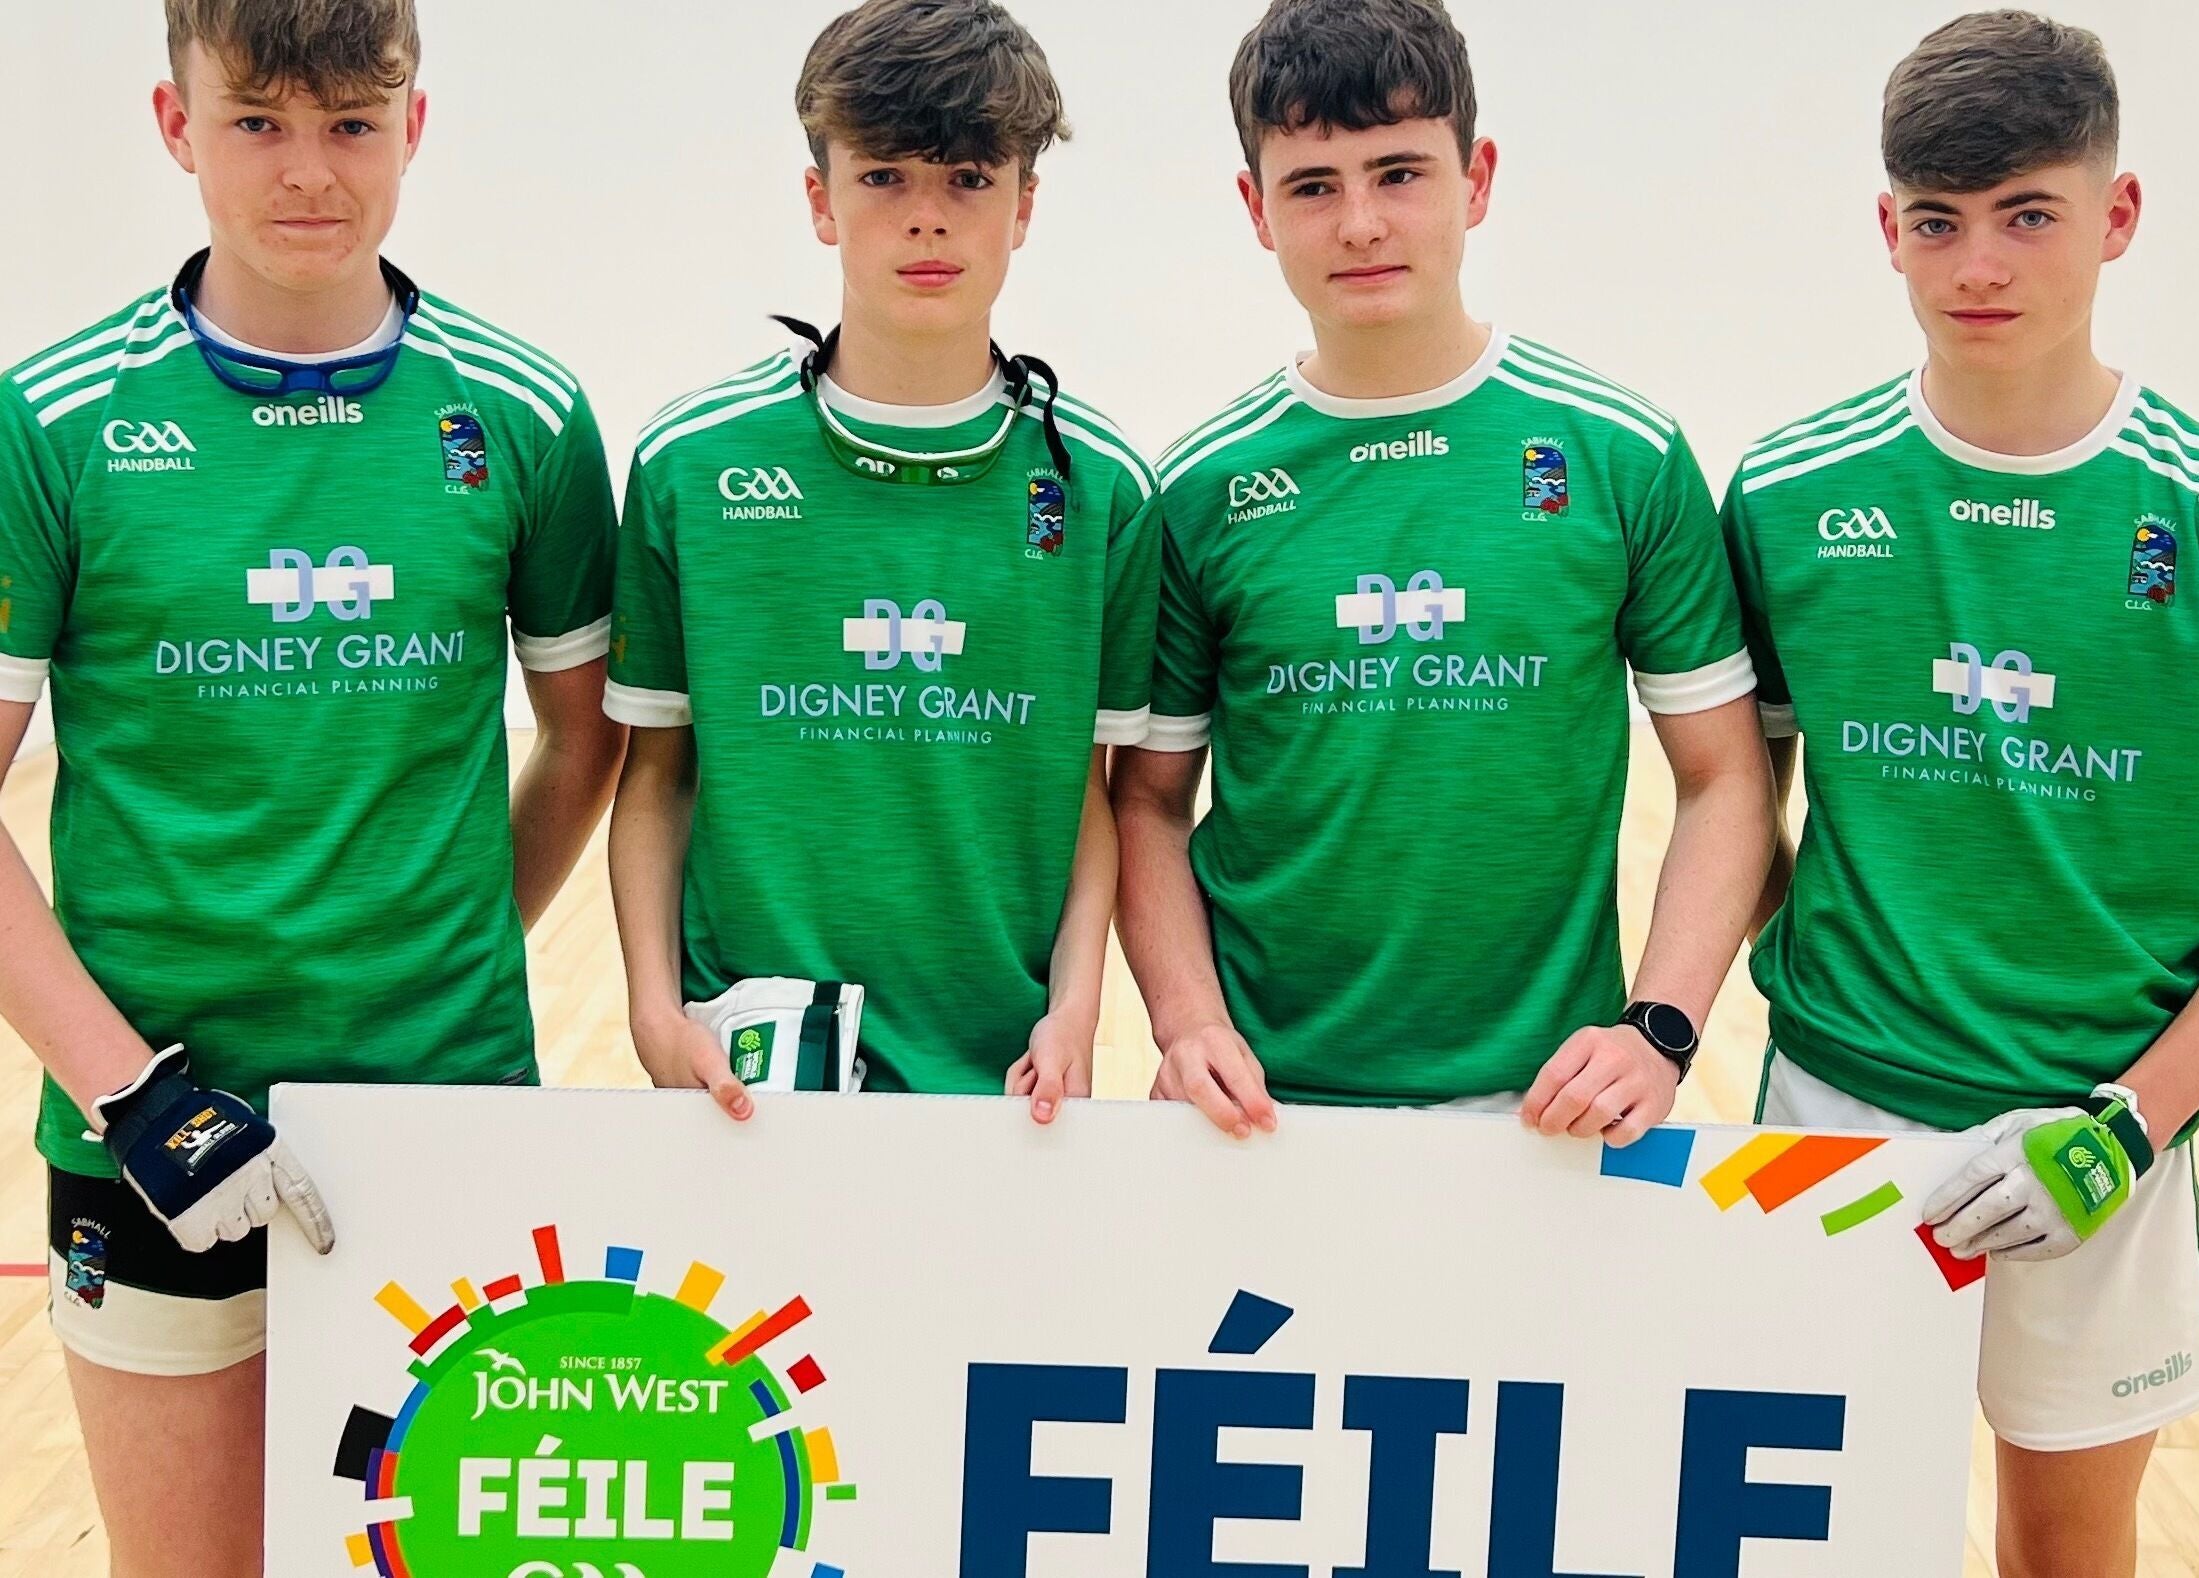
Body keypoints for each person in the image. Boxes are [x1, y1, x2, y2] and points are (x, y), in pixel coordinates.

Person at [0, 3, 624, 1571]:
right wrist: (130, 1089)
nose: (307, 171)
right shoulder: (54, 422)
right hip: (146, 1141)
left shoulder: (525, 417)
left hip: (451, 1121)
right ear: (173, 119)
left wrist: (452, 940)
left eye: (351, 122)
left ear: (415, 123)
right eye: (259, 121)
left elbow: (590, 737)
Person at [1113, 0, 1773, 1140]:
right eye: (1313, 185)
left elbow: (1724, 777)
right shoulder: (1201, 489)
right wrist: (1185, 1027)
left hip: (1550, 1109)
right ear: (1255, 209)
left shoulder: (1619, 454)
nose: (1362, 222)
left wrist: (1660, 1030)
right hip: (1259, 1113)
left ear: (1477, 180)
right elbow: (1150, 804)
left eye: (1400, 172)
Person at [1724, 13, 2197, 1576]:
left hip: (2105, 1128)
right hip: (1830, 1114)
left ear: (2113, 218)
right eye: (1935, 220)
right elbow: (1734, 799)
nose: (1976, 263)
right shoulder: (1789, 495)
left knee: (2063, 1549)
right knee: (1801, 1537)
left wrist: (2128, 1122)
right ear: (1887, 232)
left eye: (2025, 215)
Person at [605, 0, 1160, 1122]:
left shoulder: (1104, 487)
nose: (927, 221)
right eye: (885, 178)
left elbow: (1089, 792)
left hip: (1005, 1076)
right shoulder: (691, 465)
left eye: (966, 180)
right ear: (821, 199)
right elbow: (655, 773)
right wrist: (653, 1010)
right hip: (746, 1076)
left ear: (1024, 205)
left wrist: (1076, 1009)